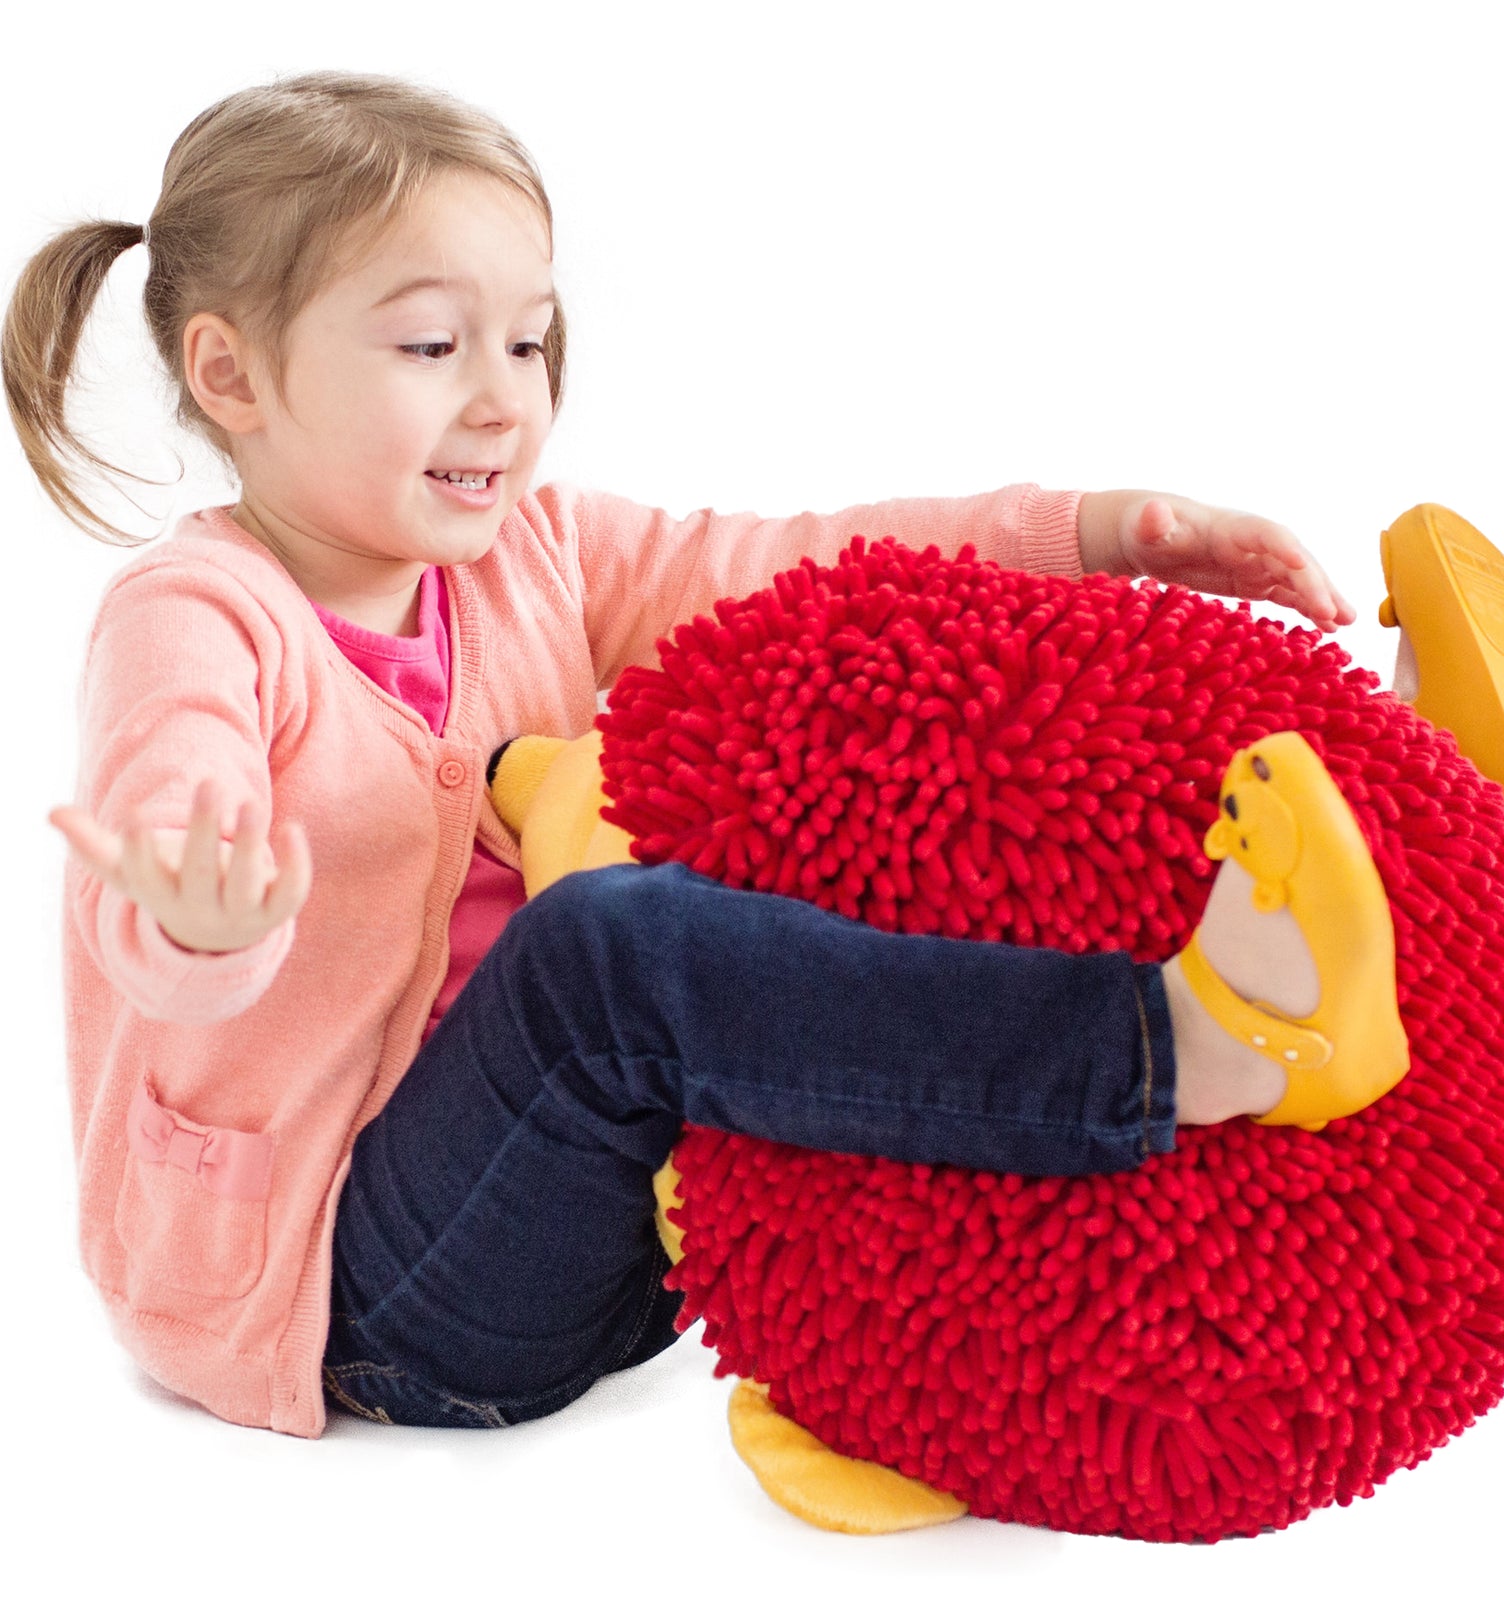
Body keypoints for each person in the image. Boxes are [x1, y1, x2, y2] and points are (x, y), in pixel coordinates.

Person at [9, 71, 1400, 1438]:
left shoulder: (535, 549)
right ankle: (1174, 1049)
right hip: (366, 1294)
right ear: (232, 373)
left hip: (636, 1251)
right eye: (433, 347)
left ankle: (1389, 821)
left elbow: (795, 570)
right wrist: (197, 918)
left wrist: (1089, 536)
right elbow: (170, 806)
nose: (502, 399)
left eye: (529, 341)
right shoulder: (196, 615)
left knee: (844, 785)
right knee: (610, 948)